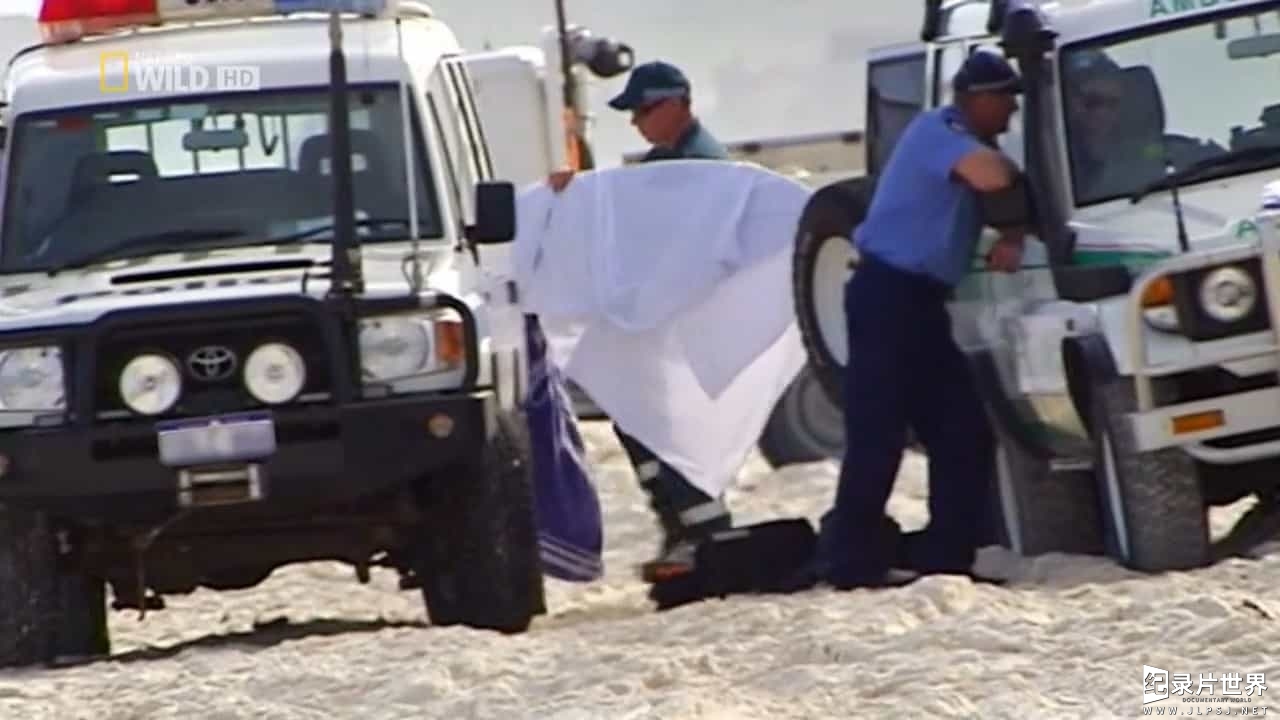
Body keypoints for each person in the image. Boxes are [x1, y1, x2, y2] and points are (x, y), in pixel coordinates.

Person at [813, 49, 1030, 590]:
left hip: (920, 302)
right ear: (978, 99)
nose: (1011, 112)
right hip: (885, 295)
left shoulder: (963, 135)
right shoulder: (939, 130)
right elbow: (990, 175)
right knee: (877, 435)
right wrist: (1017, 198)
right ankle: (851, 564)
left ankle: (947, 556)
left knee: (963, 430)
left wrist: (1014, 233)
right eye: (1006, 100)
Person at [546, 59, 734, 580]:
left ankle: (705, 536)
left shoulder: (701, 166)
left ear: (680, 104)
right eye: (632, 112)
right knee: (641, 424)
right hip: (657, 323)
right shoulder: (664, 162)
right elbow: (623, 211)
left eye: (645, 109)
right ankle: (683, 530)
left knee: (670, 430)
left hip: (685, 325)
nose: (637, 122)